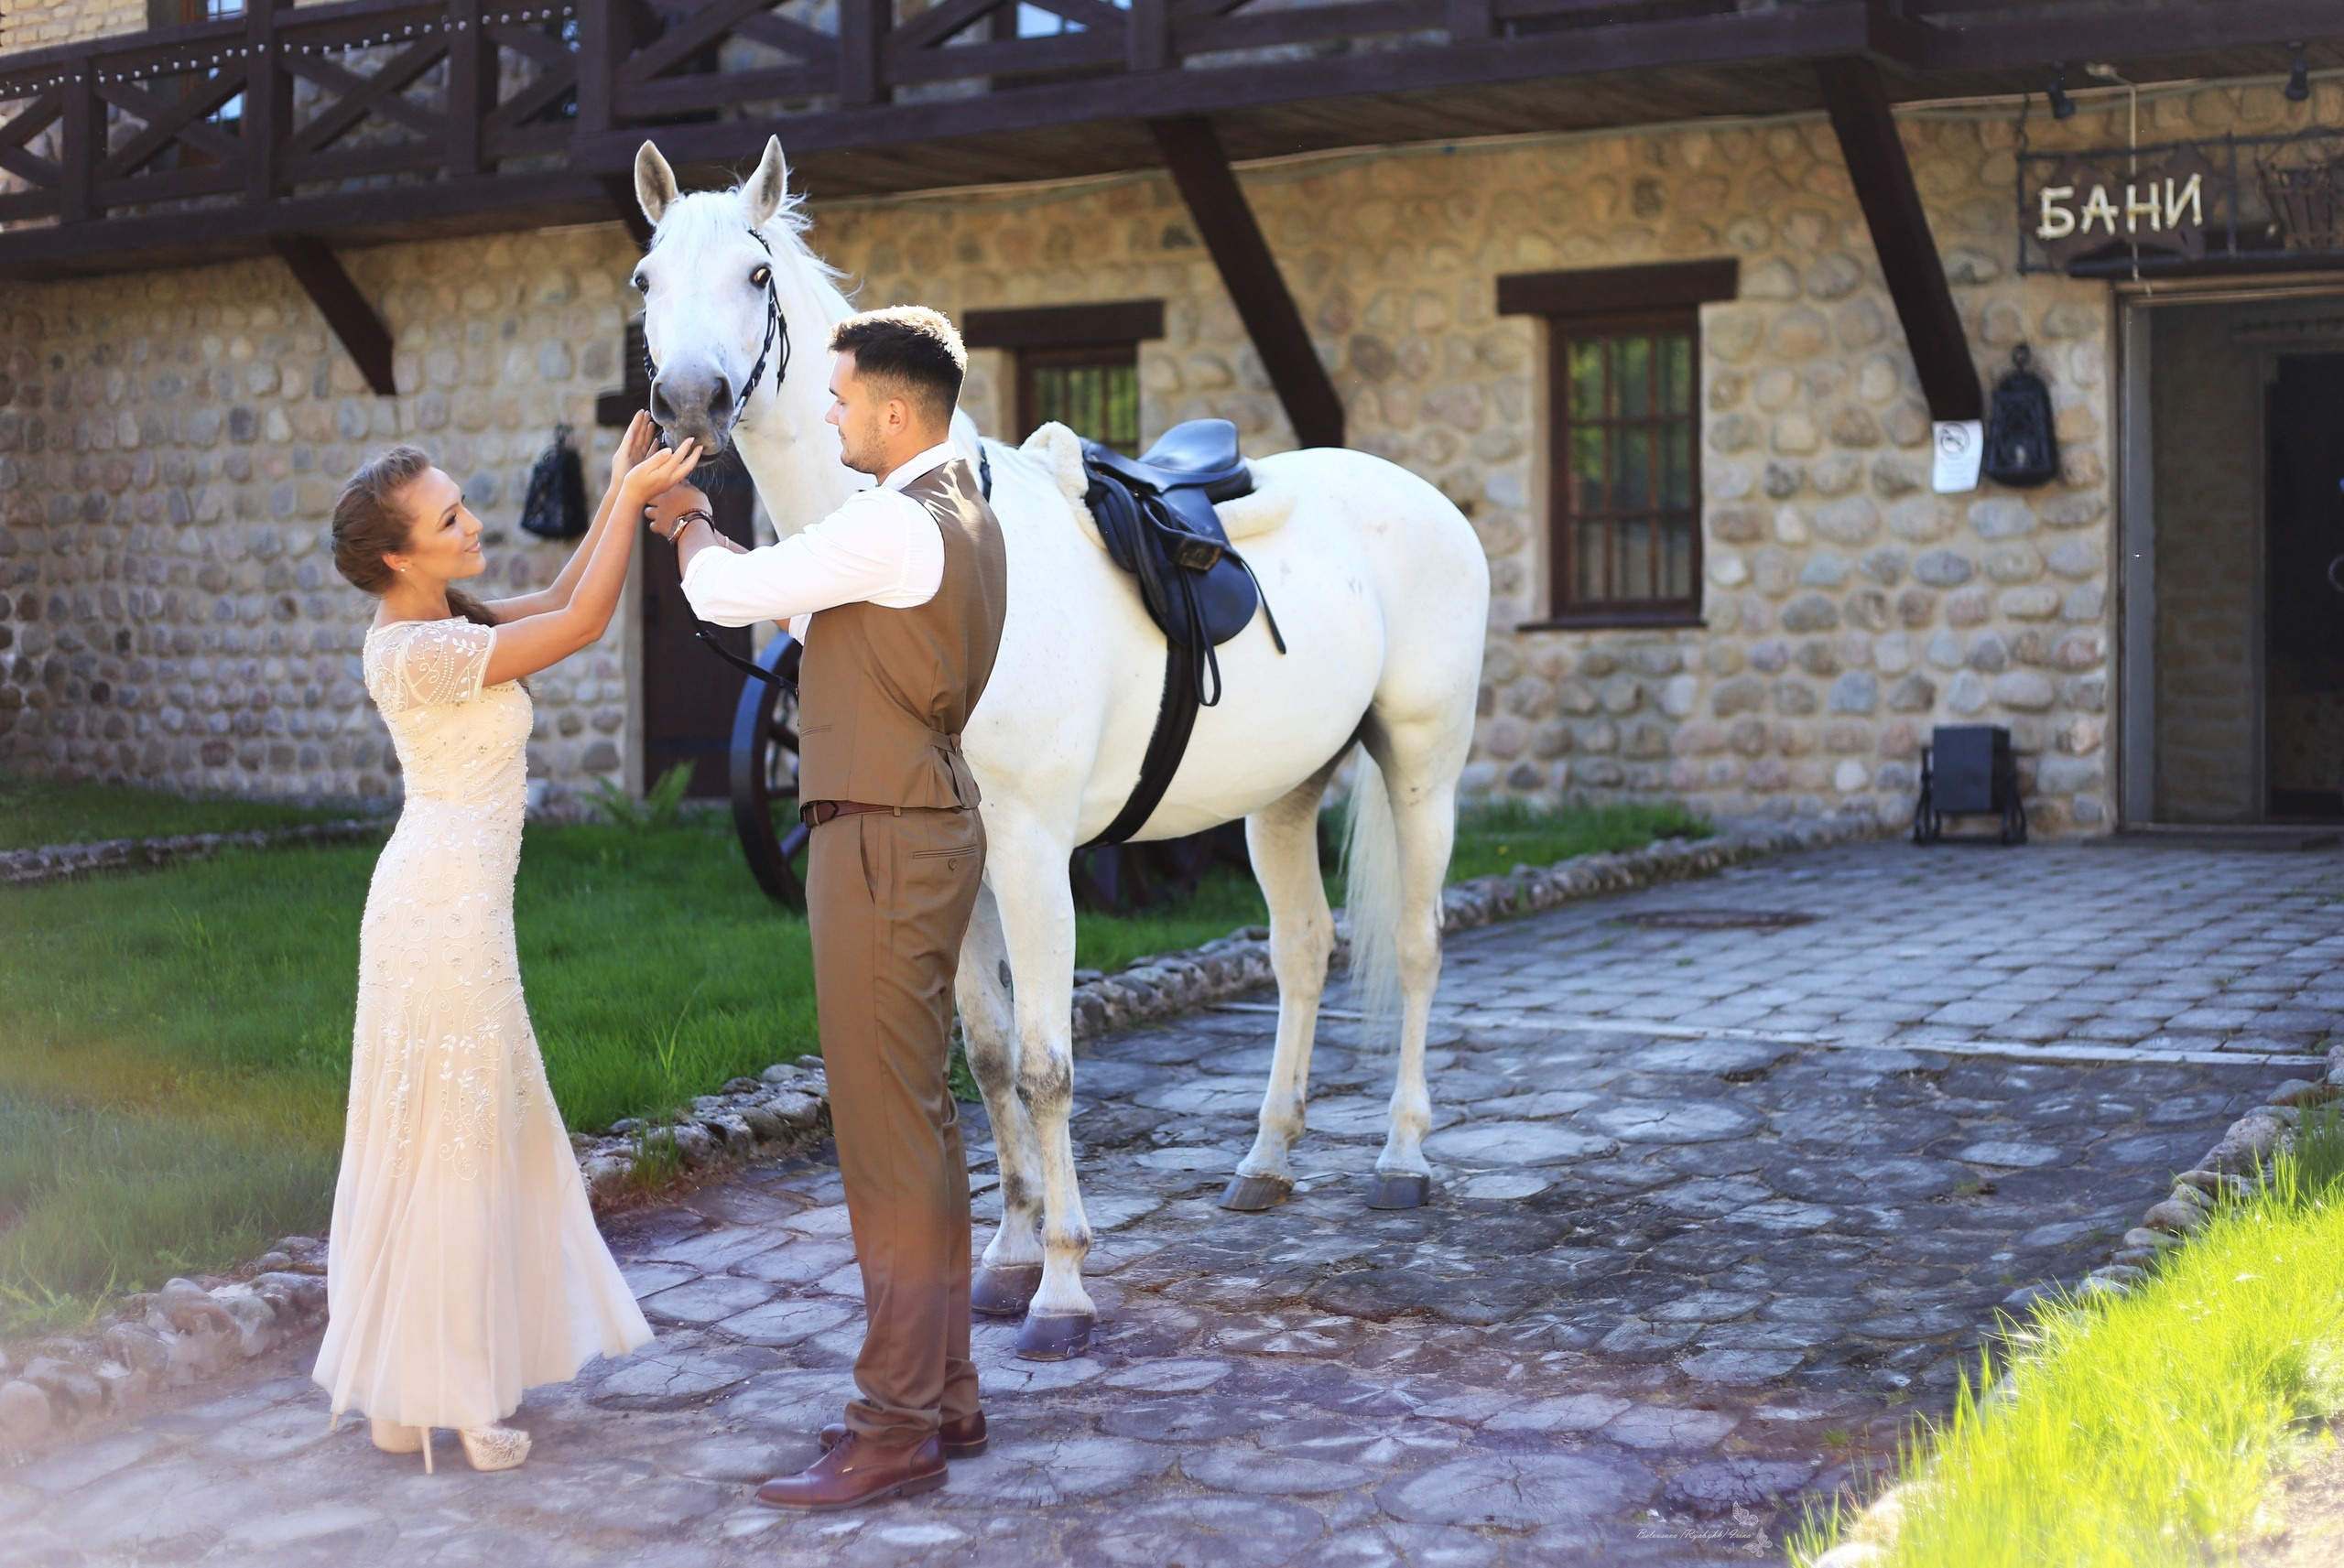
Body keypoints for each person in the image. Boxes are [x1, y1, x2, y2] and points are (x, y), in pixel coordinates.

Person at [656, 306, 1007, 1510]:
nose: (829, 412)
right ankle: (945, 1393)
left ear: (897, 412)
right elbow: (813, 615)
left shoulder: (892, 521)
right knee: (922, 1121)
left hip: (881, 842)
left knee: (886, 1136)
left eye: (844, 395)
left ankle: (894, 1424)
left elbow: (729, 594)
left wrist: (684, 521)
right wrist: (715, 538)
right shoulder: (960, 514)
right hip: (923, 825)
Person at [315, 414, 700, 1473]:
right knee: (454, 1143)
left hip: (454, 907)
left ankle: (410, 1394)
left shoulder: (451, 621)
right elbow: (583, 624)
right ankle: (454, 1393)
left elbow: (567, 596)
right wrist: (630, 501)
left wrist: (617, 486)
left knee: (458, 1136)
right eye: (450, 519)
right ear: (400, 556)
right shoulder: (418, 651)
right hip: (438, 914)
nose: (474, 523)